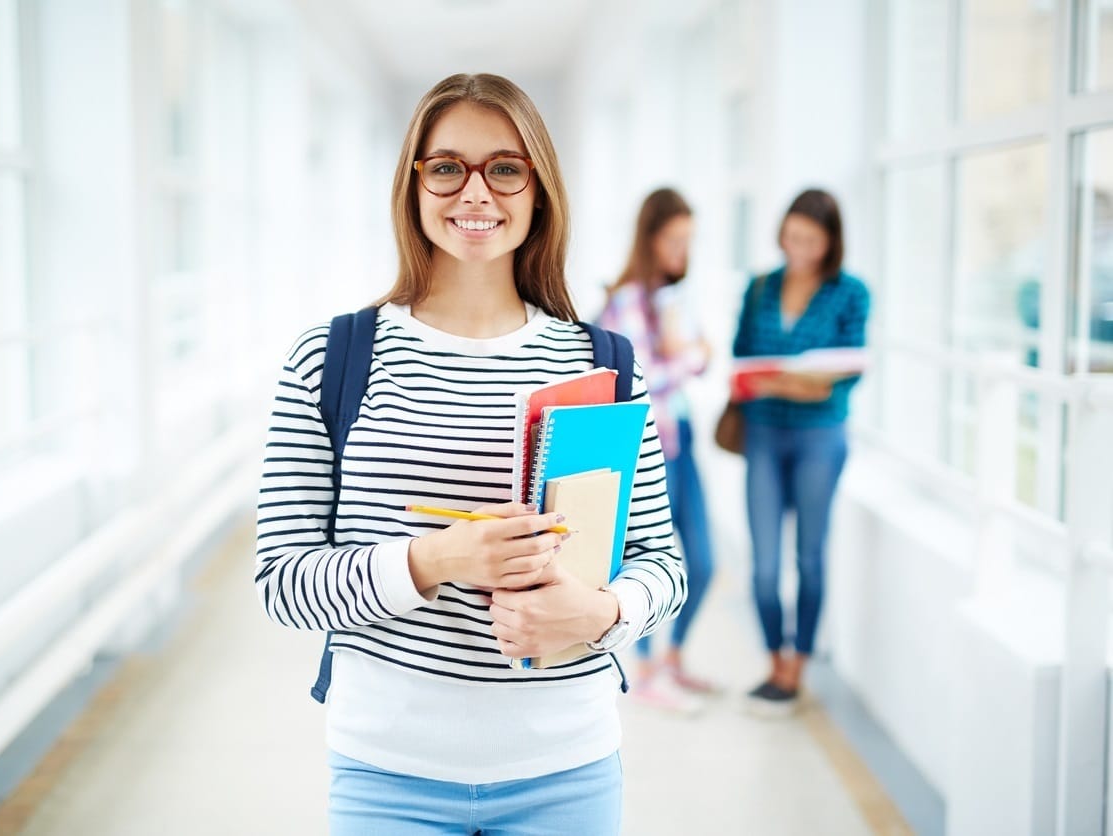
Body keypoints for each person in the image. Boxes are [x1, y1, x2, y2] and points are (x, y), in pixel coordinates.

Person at [255, 73, 687, 835]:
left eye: (506, 167)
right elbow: (282, 584)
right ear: (414, 184)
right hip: (388, 772)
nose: (476, 193)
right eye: (447, 166)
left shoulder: (606, 365)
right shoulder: (332, 359)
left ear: (539, 188)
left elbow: (663, 563)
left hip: (568, 768)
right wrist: (438, 560)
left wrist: (599, 612)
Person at [730, 188, 870, 715]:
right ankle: (773, 662)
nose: (799, 248)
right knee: (764, 565)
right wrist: (796, 382)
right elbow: (743, 362)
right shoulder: (761, 286)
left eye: (810, 240)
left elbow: (841, 380)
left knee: (809, 557)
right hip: (762, 435)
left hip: (821, 438)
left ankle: (799, 663)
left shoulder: (851, 292)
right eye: (791, 237)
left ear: (831, 241)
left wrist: (780, 382)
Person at [598, 188, 716, 713]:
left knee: (706, 563)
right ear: (649, 239)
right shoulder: (623, 302)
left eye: (688, 240)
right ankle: (643, 666)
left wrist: (693, 354)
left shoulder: (673, 296)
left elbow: (699, 353)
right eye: (673, 239)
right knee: (643, 558)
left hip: (682, 437)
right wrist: (693, 358)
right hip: (649, 445)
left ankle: (673, 658)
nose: (681, 251)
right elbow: (639, 382)